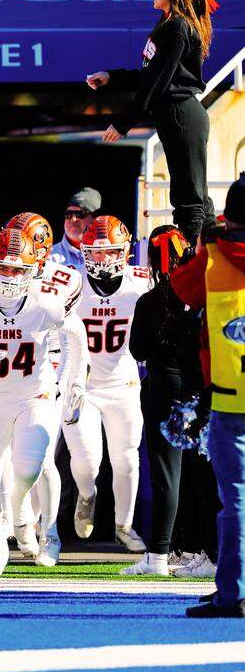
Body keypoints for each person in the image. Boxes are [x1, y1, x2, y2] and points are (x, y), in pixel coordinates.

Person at [0, 228, 87, 575]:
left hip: (34, 395)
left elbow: (76, 335)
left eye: (16, 269)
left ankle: (33, 523)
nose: (8, 276)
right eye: (1, 268)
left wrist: (75, 382)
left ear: (33, 271)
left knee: (29, 468)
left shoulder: (45, 302)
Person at [88, 0, 218, 244]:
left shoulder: (177, 27)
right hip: (174, 116)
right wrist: (112, 77)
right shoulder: (168, 24)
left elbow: (156, 84)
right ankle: (210, 257)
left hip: (182, 116)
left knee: (189, 200)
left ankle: (191, 263)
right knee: (194, 196)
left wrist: (123, 123)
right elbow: (151, 75)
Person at [172, 175, 245, 618]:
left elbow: (180, 289)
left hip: (232, 398)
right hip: (228, 398)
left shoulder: (215, 260)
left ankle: (234, 591)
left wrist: (205, 245)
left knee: (235, 500)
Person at [63, 215, 152, 554]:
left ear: (124, 252)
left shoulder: (140, 283)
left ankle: (124, 526)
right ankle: (87, 495)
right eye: (96, 252)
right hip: (83, 387)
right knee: (87, 461)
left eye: (110, 251)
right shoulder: (71, 283)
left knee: (126, 459)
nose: (102, 259)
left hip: (123, 384)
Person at [124, 225, 204, 576]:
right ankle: (200, 550)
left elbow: (138, 350)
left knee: (166, 474)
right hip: (199, 388)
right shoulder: (202, 294)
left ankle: (159, 554)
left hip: (164, 388)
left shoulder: (150, 300)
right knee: (198, 475)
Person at [49, 188, 100, 273]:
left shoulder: (109, 256)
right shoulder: (49, 257)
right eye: (68, 214)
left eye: (80, 214)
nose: (73, 219)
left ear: (95, 219)